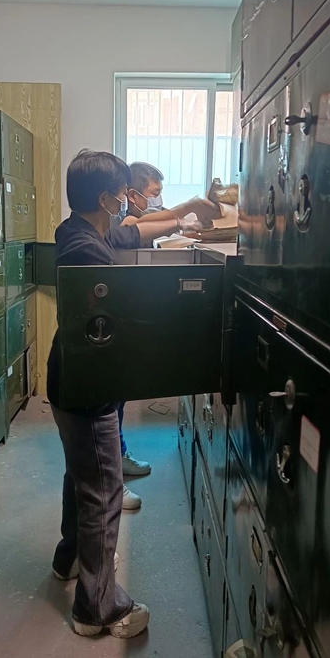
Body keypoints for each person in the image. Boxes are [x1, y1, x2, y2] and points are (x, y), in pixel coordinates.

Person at [48, 149, 202, 638]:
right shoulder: (87, 252)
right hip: (89, 387)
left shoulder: (78, 231)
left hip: (70, 379)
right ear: (105, 199)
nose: (126, 202)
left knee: (81, 476)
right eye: (122, 194)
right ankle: (98, 609)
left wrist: (182, 214)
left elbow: (133, 232)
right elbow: (118, 318)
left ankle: (69, 558)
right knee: (102, 492)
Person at [115, 163, 222, 512]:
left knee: (116, 399)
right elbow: (135, 228)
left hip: (129, 317)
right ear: (131, 195)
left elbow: (152, 223)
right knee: (108, 402)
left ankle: (118, 454)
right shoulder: (122, 223)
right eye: (154, 193)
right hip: (117, 321)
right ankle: (111, 475)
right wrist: (184, 212)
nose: (158, 200)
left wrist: (181, 220)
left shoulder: (139, 219)